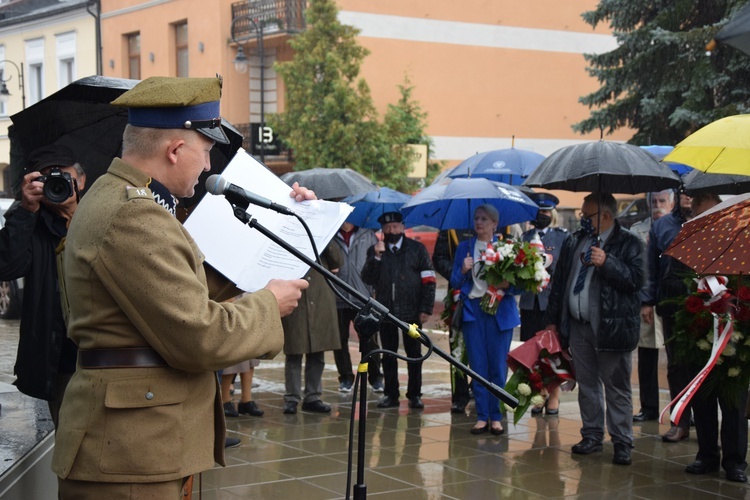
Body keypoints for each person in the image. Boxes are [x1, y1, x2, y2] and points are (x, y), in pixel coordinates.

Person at [52, 76, 311, 498]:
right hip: (133, 455)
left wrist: (286, 225)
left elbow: (179, 294)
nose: (208, 167)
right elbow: (200, 334)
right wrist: (268, 305)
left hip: (140, 446)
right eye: (206, 153)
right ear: (175, 150)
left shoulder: (127, 202)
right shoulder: (132, 215)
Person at [545, 192, 644, 466]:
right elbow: (560, 281)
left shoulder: (630, 243)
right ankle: (591, 434)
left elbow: (637, 281)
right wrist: (554, 321)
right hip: (578, 326)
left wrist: (607, 262)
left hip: (611, 328)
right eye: (582, 215)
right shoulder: (574, 241)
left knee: (616, 387)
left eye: (587, 216)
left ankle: (622, 441)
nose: (583, 220)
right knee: (587, 385)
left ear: (606, 216)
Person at [0, 144, 85, 429]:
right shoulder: (33, 225)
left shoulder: (101, 217)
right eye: (46, 178)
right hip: (59, 357)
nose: (56, 182)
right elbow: (7, 267)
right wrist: (25, 210)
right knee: (69, 442)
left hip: (102, 352)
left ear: (81, 180)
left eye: (63, 176)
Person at [682, 193, 747, 483]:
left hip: (736, 338)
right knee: (704, 399)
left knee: (733, 403)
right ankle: (707, 454)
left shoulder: (742, 244)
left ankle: (735, 461)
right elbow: (673, 282)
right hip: (701, 334)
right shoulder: (694, 245)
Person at [449, 204, 517, 435]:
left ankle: (496, 416)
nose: (479, 222)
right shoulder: (465, 248)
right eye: (476, 218)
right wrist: (463, 269)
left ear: (495, 224)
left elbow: (520, 287)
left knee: (497, 366)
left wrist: (507, 285)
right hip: (473, 312)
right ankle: (482, 416)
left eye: (485, 219)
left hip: (499, 312)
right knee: (478, 367)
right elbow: (455, 281)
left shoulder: (506, 248)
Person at [361, 211, 436, 410]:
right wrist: (376, 258)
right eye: (387, 228)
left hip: (412, 311)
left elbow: (429, 280)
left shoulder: (417, 249)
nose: (391, 231)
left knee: (414, 353)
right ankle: (390, 394)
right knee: (389, 354)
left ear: (402, 227)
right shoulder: (375, 250)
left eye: (395, 227)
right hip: (386, 312)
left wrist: (426, 308)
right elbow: (367, 278)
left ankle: (415, 394)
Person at [641, 191, 694, 442]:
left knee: (705, 366)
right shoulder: (662, 226)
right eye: (685, 191)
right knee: (676, 365)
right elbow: (651, 267)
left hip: (709, 304)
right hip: (672, 304)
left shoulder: (713, 219)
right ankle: (680, 421)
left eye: (694, 194)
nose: (688, 197)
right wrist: (648, 301)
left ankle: (706, 426)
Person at [519, 193, 568, 416]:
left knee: (551, 352)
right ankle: (539, 395)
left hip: (550, 304)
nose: (542, 216)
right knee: (533, 352)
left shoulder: (561, 238)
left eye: (546, 212)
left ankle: (554, 396)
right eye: (538, 212)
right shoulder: (525, 237)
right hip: (530, 303)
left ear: (553, 214)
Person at [282, 242, 343, 414]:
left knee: (318, 351)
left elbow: (337, 262)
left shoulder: (326, 234)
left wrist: (327, 240)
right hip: (296, 299)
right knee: (294, 351)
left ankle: (313, 396)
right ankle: (292, 397)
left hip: (320, 298)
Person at [630, 190, 674, 423]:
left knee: (677, 361)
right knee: (646, 357)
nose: (658, 206)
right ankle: (648, 407)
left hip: (669, 300)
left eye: (662, 201)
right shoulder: (638, 230)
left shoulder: (679, 227)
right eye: (654, 202)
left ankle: (682, 409)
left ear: (671, 203)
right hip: (646, 301)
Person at [331, 221, 384, 394]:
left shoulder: (367, 234)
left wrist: (375, 289)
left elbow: (376, 264)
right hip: (338, 295)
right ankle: (346, 377)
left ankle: (375, 377)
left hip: (363, 297)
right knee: (339, 340)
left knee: (369, 340)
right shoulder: (331, 234)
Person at [432, 227, 475, 414]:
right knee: (458, 349)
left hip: (486, 298)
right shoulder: (450, 229)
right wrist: (458, 272)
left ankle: (481, 390)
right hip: (458, 295)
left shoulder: (498, 224)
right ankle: (459, 396)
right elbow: (439, 258)